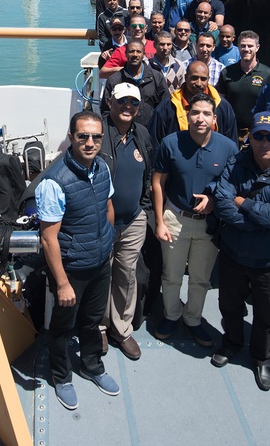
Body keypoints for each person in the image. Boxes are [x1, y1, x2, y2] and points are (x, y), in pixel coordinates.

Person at [209, 112, 270, 390]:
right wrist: (261, 221)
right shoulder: (235, 164)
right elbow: (224, 204)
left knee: (266, 314)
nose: (265, 142)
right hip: (234, 253)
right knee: (229, 305)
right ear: (250, 137)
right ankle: (231, 343)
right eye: (259, 136)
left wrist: (246, 204)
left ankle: (262, 357)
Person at [37, 112, 119, 410]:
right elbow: (49, 238)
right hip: (71, 270)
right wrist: (62, 283)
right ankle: (61, 376)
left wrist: (108, 244)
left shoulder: (102, 168)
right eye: (83, 136)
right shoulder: (54, 182)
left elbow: (107, 207)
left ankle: (92, 365)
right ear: (71, 137)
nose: (90, 143)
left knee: (92, 320)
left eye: (96, 137)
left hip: (99, 263)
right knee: (62, 327)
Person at [151, 93, 238, 346]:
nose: (200, 118)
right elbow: (158, 182)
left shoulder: (228, 148)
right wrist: (159, 220)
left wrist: (213, 201)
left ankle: (193, 318)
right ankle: (171, 314)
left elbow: (231, 184)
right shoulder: (170, 143)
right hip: (175, 218)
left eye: (206, 114)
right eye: (195, 113)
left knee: (201, 277)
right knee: (171, 274)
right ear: (187, 115)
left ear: (214, 119)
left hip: (208, 224)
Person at [99, 83, 154, 361]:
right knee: (100, 276)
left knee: (126, 275)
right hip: (101, 223)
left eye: (133, 103)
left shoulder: (142, 134)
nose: (128, 108)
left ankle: (121, 329)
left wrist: (143, 210)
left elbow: (149, 175)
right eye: (122, 102)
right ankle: (98, 327)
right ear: (111, 103)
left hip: (133, 220)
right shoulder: (97, 133)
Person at [149, 60, 238, 146]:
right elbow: (156, 144)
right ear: (186, 77)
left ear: (208, 79)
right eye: (194, 78)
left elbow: (231, 143)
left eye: (203, 79)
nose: (199, 83)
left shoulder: (222, 106)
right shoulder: (168, 106)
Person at [219, 30, 270, 135]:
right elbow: (220, 102)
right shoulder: (227, 72)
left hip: (257, 131)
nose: (246, 49)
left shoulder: (269, 75)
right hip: (231, 130)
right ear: (238, 47)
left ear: (257, 47)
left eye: (250, 46)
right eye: (243, 46)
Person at [99, 40, 167, 126]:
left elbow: (165, 106)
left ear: (144, 54)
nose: (135, 55)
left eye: (138, 51)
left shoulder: (157, 77)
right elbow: (105, 110)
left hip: (150, 131)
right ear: (126, 54)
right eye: (131, 51)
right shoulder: (114, 80)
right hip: (122, 131)